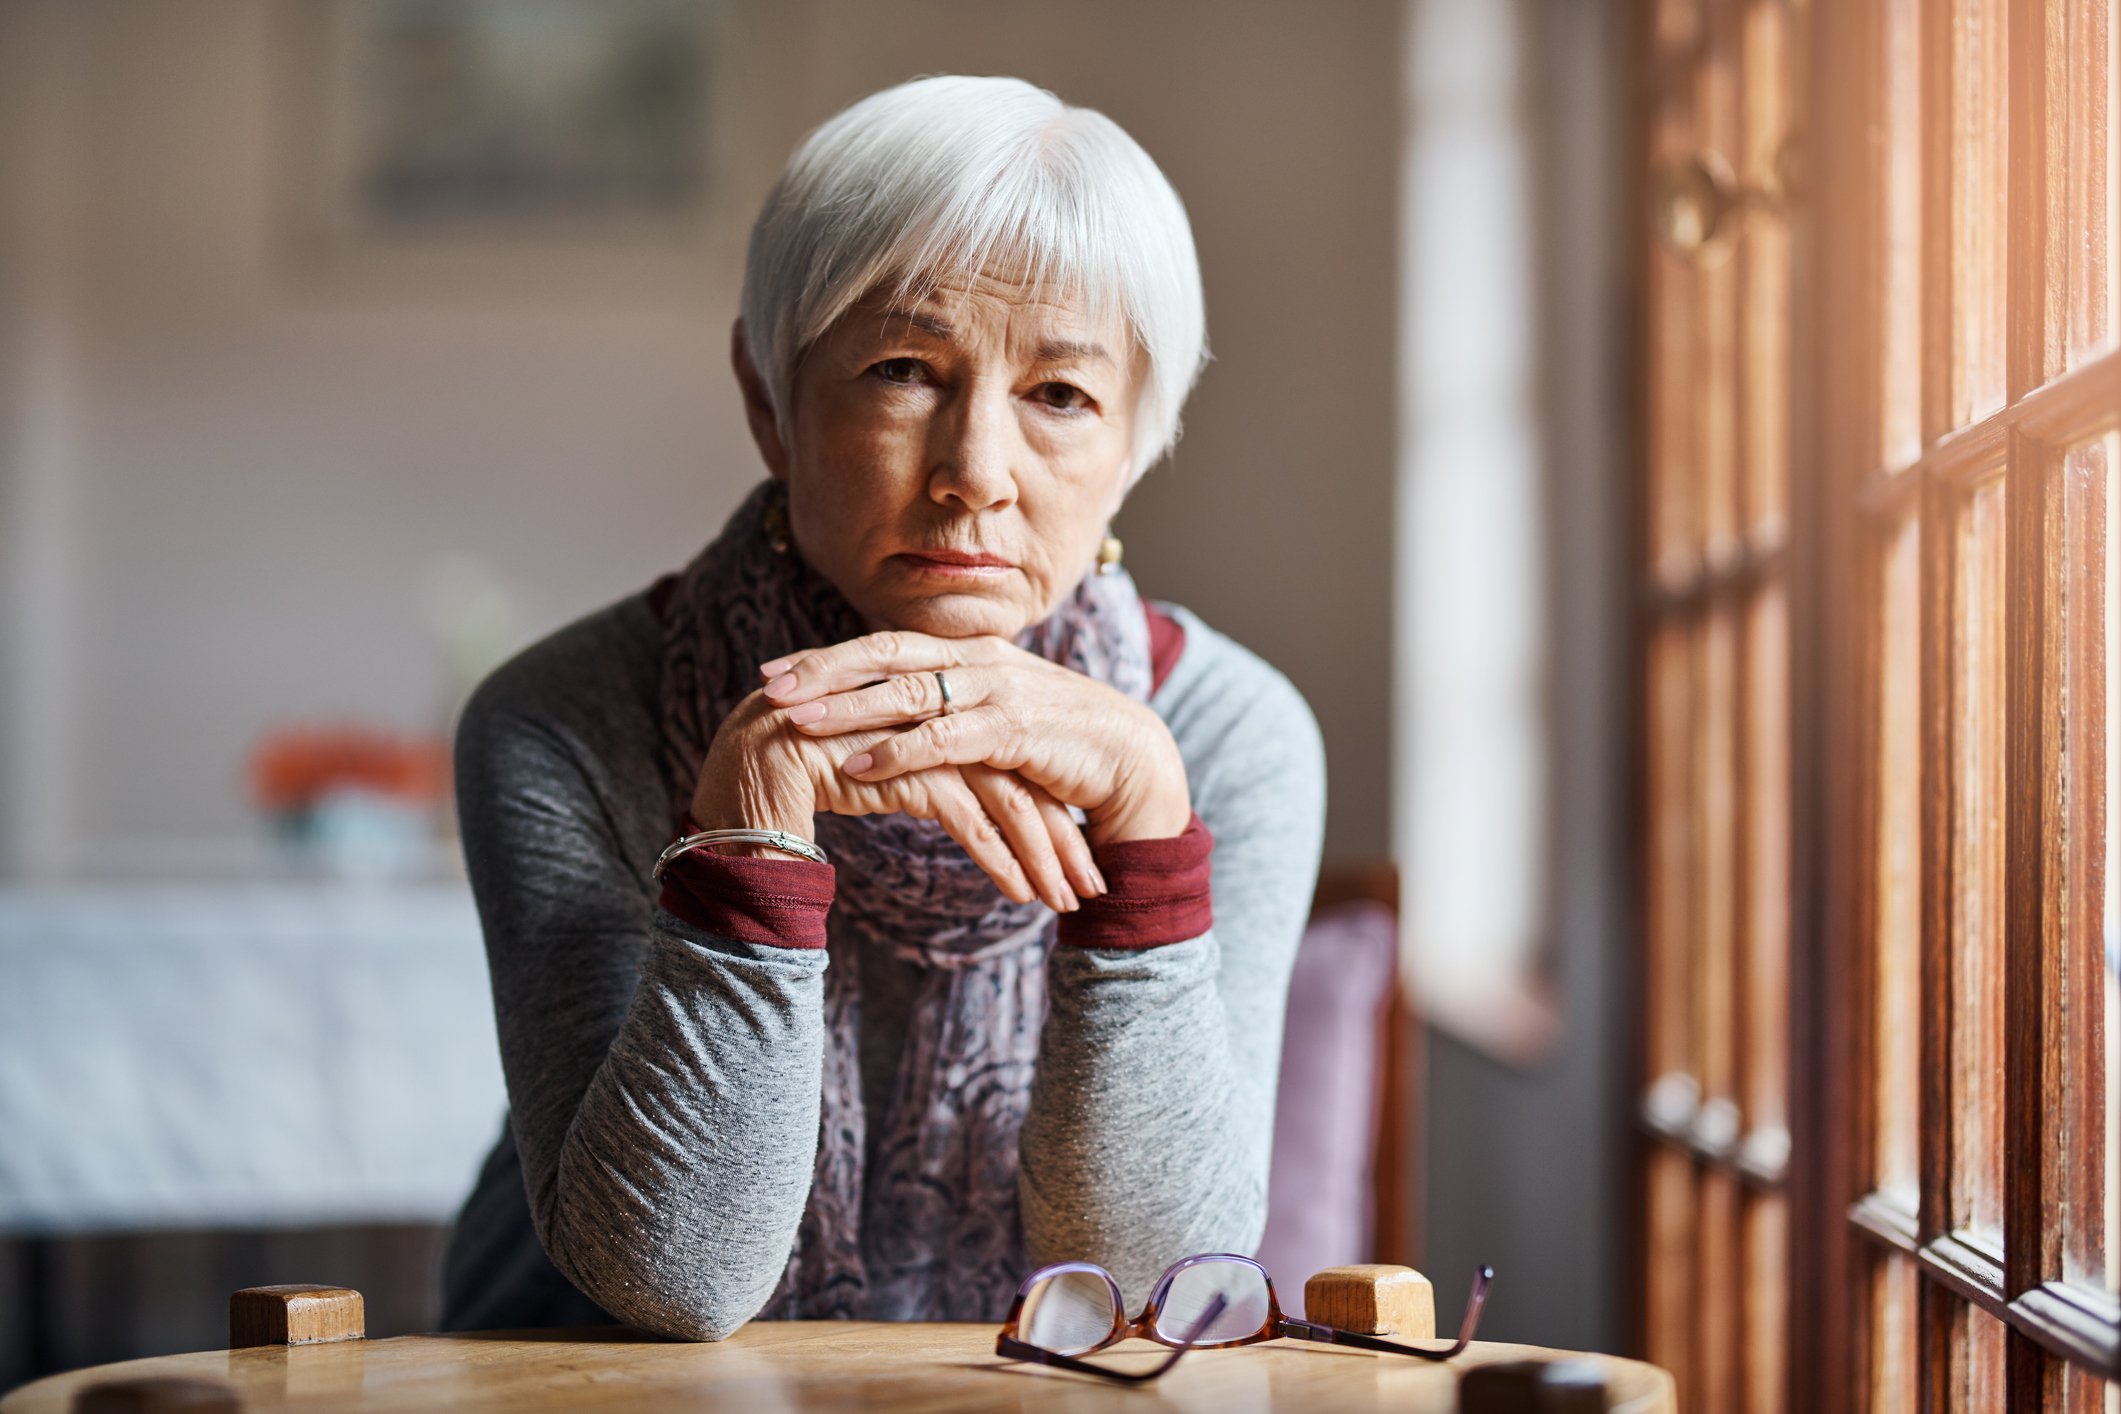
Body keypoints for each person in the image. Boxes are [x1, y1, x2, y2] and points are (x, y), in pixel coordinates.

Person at [437, 74, 1325, 1340]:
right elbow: (672, 1282)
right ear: (769, 400)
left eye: (1060, 395)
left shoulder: (1231, 732)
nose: (975, 474)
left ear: (1133, 445)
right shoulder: (560, 721)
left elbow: (1152, 1281)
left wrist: (1143, 815)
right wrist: (750, 825)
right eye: (905, 369)